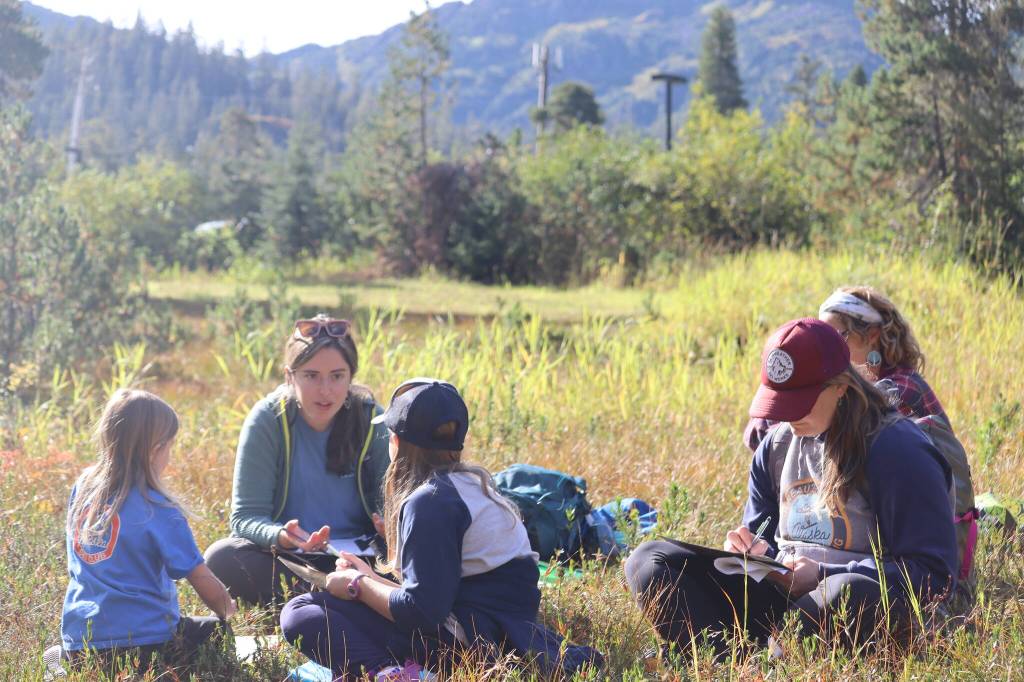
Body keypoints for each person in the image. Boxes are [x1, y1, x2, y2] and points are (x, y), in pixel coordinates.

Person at [627, 318, 958, 657]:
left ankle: (772, 660)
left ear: (841, 385)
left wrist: (823, 575)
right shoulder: (776, 446)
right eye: (780, 402)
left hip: (850, 604)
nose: (787, 415)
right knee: (649, 561)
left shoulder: (897, 449)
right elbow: (764, 543)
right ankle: (735, 661)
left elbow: (933, 574)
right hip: (784, 603)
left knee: (843, 592)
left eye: (800, 401)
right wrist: (750, 553)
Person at [280, 379, 602, 679]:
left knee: (300, 613)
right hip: (499, 636)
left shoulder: (430, 501)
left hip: (467, 647)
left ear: (396, 441)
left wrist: (357, 584)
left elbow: (421, 612)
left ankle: (390, 673)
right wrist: (372, 577)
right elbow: (440, 593)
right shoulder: (474, 487)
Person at [205, 315, 389, 607]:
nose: (326, 390)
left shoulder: (372, 418)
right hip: (293, 561)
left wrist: (387, 521)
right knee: (222, 557)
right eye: (311, 376)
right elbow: (245, 518)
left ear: (351, 376)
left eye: (337, 376)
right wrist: (281, 536)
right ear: (290, 375)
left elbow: (392, 503)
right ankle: (352, 600)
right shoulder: (268, 420)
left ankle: (331, 600)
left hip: (360, 559)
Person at [56, 389, 235, 675]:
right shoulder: (159, 508)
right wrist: (227, 607)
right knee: (214, 631)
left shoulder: (84, 487)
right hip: (145, 644)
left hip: (81, 638)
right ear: (155, 449)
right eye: (169, 447)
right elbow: (202, 580)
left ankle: (67, 663)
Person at [744, 286, 949, 452]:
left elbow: (840, 431)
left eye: (839, 336)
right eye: (824, 337)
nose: (829, 345)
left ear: (872, 335)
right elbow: (756, 435)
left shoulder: (904, 388)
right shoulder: (833, 386)